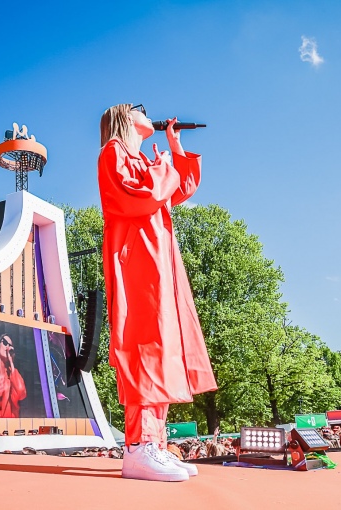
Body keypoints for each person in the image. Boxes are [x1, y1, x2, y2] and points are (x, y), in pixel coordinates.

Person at [98, 103, 217, 482]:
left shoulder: (141, 157)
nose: (148, 112)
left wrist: (174, 147)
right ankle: (138, 447)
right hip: (137, 259)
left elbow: (177, 190)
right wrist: (161, 164)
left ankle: (156, 444)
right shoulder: (113, 152)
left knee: (163, 348)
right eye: (140, 109)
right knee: (145, 345)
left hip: (159, 258)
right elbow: (145, 192)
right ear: (123, 118)